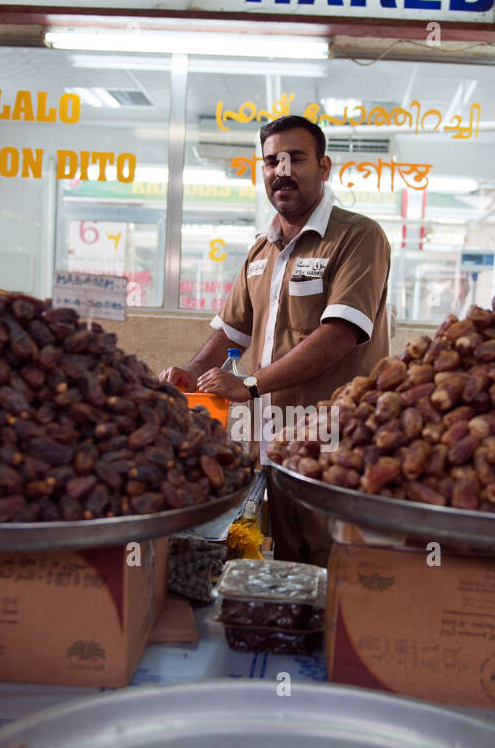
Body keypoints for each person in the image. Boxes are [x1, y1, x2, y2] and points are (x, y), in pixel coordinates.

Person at [160, 113, 390, 563]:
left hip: (335, 449)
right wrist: (190, 372)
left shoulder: (357, 236)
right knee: (287, 565)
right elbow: (230, 331)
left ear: (324, 167)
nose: (281, 171)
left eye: (295, 158)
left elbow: (340, 334)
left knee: (337, 570)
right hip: (275, 446)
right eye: (270, 162)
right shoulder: (261, 251)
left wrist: (250, 384)